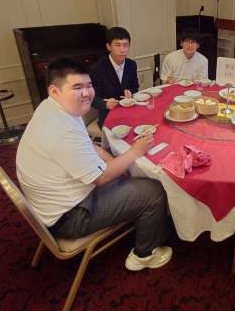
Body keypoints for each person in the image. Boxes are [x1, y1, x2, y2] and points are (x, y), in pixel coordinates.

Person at [16, 58, 172, 271]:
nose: (86, 93)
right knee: (154, 190)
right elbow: (101, 178)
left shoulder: (52, 109)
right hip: (70, 216)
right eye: (77, 87)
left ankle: (141, 217)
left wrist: (116, 162)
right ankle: (144, 254)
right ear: (54, 90)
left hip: (56, 200)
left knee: (122, 163)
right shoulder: (61, 131)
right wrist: (135, 151)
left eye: (89, 85)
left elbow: (87, 145)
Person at [90, 27, 139, 127]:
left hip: (129, 110)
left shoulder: (131, 64)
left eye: (125, 45)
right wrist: (105, 104)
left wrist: (130, 92)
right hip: (108, 114)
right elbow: (92, 98)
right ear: (109, 46)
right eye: (117, 45)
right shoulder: (97, 69)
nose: (122, 50)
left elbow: (135, 87)